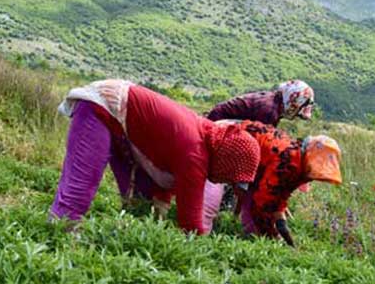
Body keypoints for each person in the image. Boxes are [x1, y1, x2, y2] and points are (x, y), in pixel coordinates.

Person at [50, 79, 260, 234]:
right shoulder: (195, 153)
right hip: (102, 106)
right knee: (82, 183)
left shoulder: (204, 135)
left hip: (121, 119)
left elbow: (164, 176)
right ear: (226, 161)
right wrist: (203, 257)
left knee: (142, 200)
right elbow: (191, 223)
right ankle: (57, 238)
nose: (223, 181)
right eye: (227, 176)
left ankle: (123, 237)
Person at [202, 120, 342, 245]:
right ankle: (198, 238)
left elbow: (280, 197)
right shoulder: (287, 162)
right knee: (210, 201)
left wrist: (282, 226)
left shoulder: (298, 163)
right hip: (227, 139)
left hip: (241, 149)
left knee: (249, 202)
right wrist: (272, 236)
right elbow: (263, 203)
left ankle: (250, 239)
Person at [206, 80, 315, 127]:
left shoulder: (273, 101)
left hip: (218, 118)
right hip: (217, 122)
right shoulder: (269, 111)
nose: (296, 114)